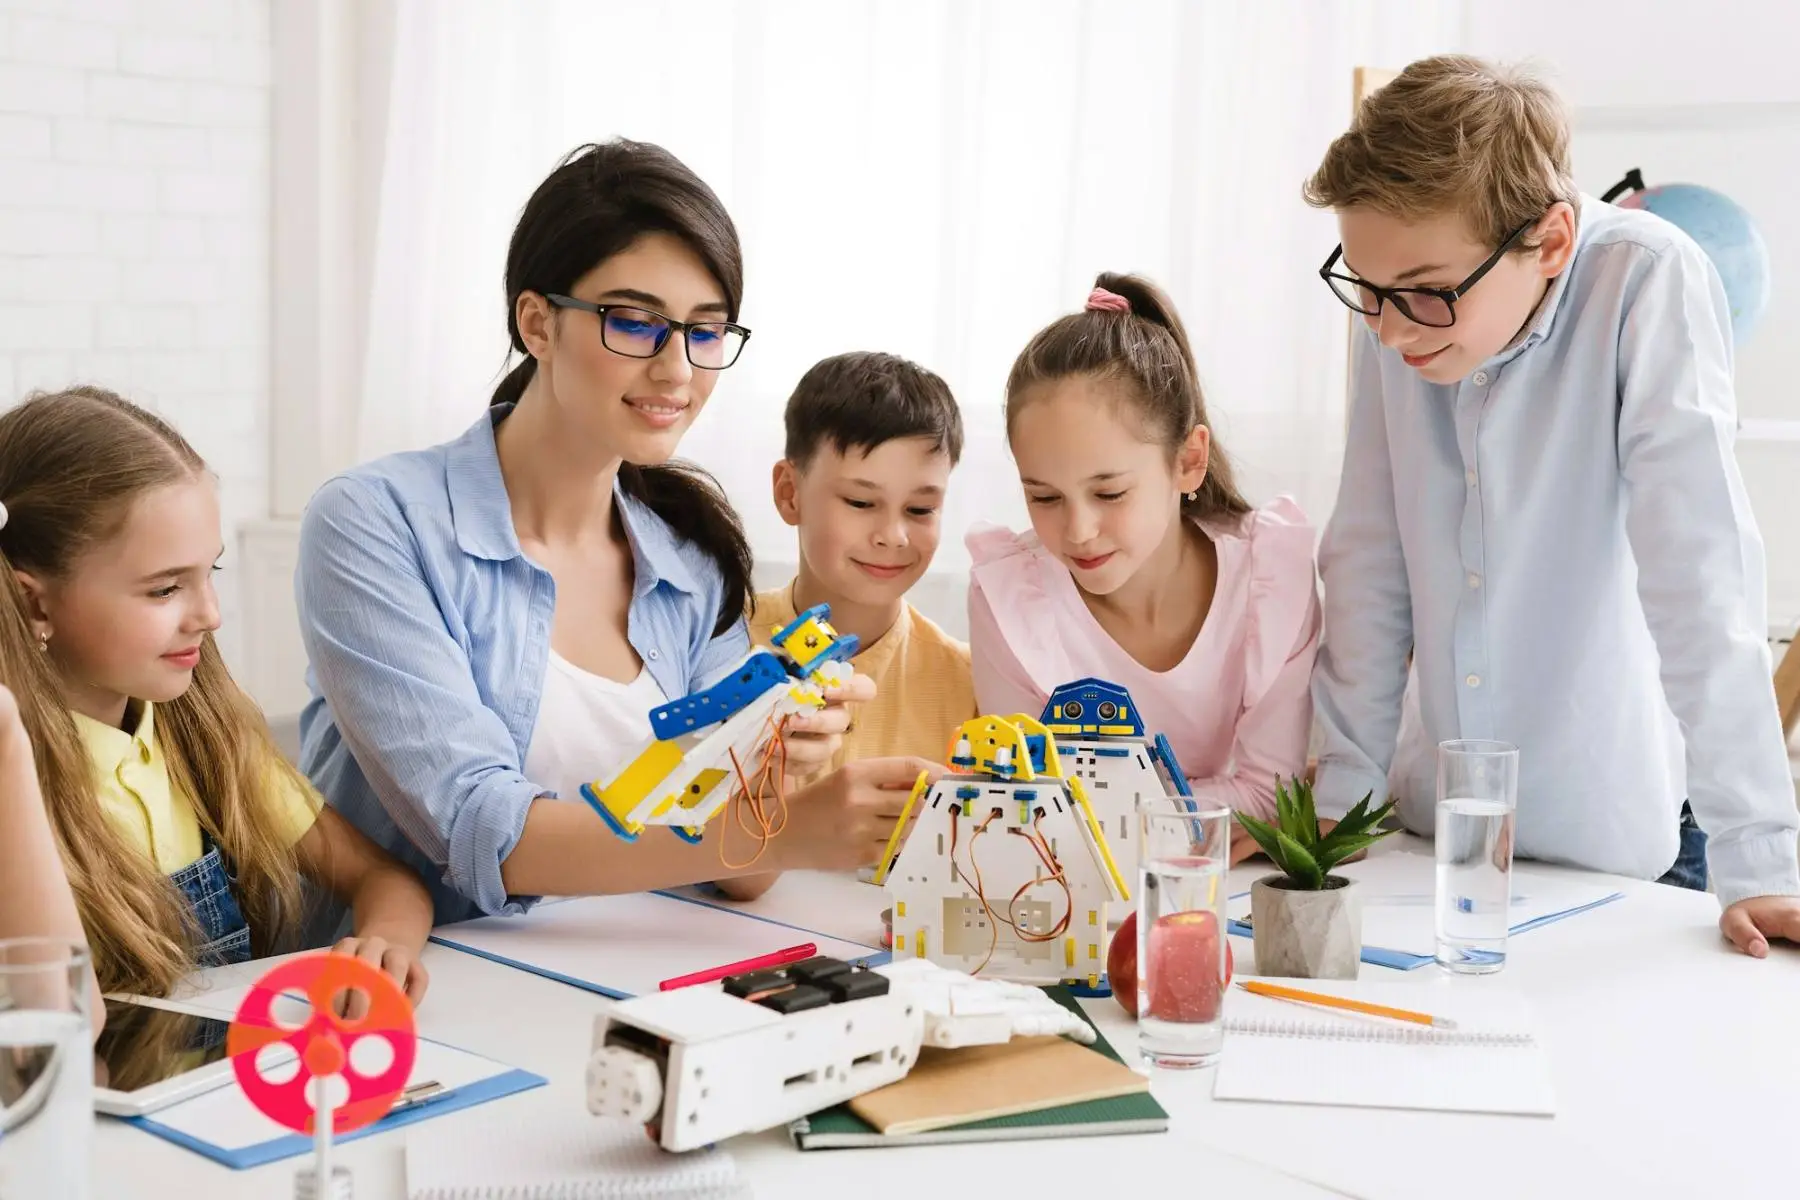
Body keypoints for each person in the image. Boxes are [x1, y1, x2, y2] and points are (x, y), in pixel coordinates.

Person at [296, 140, 935, 930]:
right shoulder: (374, 524)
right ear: (537, 323)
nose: (678, 371)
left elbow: (744, 881)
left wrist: (773, 762)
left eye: (705, 332)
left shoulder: (687, 558)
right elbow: (480, 832)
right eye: (635, 323)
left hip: (623, 981)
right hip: (416, 1004)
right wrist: (778, 832)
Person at [1303, 54, 1800, 955]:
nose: (1389, 329)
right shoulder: (1398, 313)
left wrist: (1762, 865)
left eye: (1423, 292)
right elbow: (1369, 566)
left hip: (1619, 852)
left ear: (1554, 240)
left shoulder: (1645, 282)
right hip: (1428, 845)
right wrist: (1332, 828)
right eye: (1367, 292)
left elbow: (1702, 585)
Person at [0, 388, 433, 1005]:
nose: (210, 615)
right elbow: (54, 1028)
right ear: (33, 601)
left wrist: (383, 942)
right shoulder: (15, 781)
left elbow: (383, 877)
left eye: (212, 573)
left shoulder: (206, 735)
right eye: (163, 590)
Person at [968, 274, 1320, 829]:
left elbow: (1271, 795)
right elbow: (1028, 810)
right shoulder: (1013, 599)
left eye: (1110, 493)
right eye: (1043, 496)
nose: (1079, 530)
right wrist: (1199, 809)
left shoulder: (1268, 579)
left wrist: (1117, 816)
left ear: (1187, 462)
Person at [749, 351, 976, 779]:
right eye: (860, 502)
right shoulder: (710, 647)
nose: (894, 535)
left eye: (921, 508)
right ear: (789, 492)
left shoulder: (971, 687)